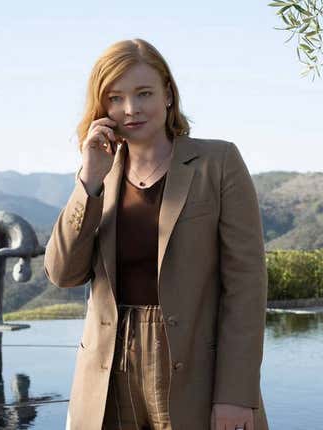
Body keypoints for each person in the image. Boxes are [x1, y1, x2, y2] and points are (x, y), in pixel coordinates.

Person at [43, 38, 269, 430]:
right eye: (115, 98)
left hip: (193, 370)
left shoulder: (218, 163)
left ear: (167, 93)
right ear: (102, 108)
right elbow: (62, 273)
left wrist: (235, 394)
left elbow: (246, 287)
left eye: (143, 93)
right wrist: (89, 181)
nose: (130, 109)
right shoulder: (100, 175)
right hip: (107, 369)